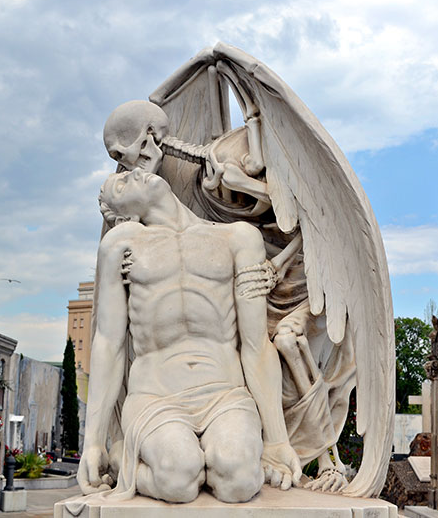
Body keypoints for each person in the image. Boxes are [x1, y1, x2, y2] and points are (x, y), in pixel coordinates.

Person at [77, 167, 301, 504]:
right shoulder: (121, 244)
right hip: (156, 397)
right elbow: (109, 342)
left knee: (240, 478)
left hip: (225, 394)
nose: (134, 174)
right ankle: (129, 465)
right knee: (177, 476)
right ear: (124, 214)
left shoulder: (238, 238)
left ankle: (197, 463)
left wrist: (277, 440)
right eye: (120, 185)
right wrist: (93, 441)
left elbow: (256, 345)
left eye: (130, 173)